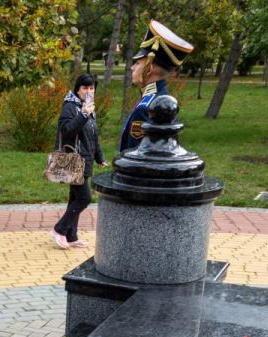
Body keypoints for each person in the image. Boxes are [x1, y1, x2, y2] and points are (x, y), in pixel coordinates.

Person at [49, 73, 107, 250]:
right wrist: (83, 114)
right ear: (77, 89)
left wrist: (100, 157)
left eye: (91, 88)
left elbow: (92, 136)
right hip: (74, 160)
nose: (88, 91)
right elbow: (66, 131)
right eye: (85, 88)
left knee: (74, 198)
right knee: (84, 198)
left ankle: (71, 236)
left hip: (85, 160)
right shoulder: (70, 107)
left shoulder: (88, 108)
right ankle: (59, 230)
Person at [119, 19, 193, 153]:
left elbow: (133, 158)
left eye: (137, 64)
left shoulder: (145, 108)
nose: (131, 68)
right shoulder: (163, 98)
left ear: (149, 68)